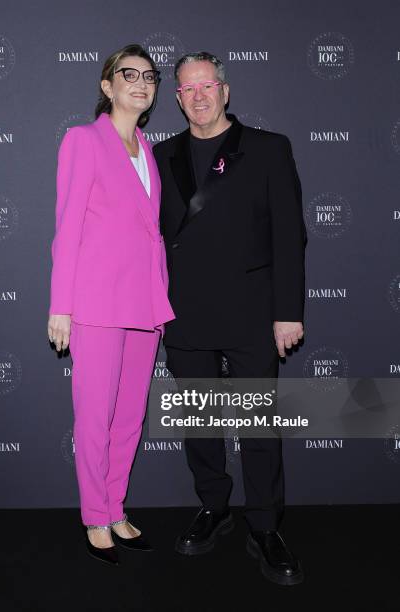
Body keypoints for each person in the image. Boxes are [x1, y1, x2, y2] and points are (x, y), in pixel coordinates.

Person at [153, 51, 307, 585]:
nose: (197, 96)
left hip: (252, 312)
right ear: (176, 97)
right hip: (185, 314)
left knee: (259, 425)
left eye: (206, 85)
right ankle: (213, 508)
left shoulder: (267, 148)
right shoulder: (160, 154)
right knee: (199, 422)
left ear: (225, 90)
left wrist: (288, 311)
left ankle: (265, 526)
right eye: (186, 89)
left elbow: (290, 235)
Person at [47, 44, 175, 566]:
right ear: (107, 86)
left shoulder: (148, 148)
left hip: (145, 304)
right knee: (94, 416)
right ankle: (95, 516)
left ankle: (116, 506)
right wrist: (61, 306)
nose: (141, 83)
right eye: (129, 74)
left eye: (149, 76)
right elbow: (68, 227)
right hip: (96, 303)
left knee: (129, 417)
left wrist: (160, 296)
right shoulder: (83, 141)